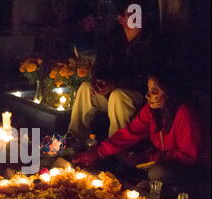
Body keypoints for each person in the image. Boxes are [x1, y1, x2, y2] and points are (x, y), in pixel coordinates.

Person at [73, 70, 202, 186]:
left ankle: (159, 184)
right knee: (121, 154)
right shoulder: (151, 111)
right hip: (159, 160)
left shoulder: (185, 113)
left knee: (158, 172)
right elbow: (128, 134)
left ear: (169, 93)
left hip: (189, 167)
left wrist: (149, 158)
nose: (147, 96)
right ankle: (144, 179)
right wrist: (97, 153)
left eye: (154, 92)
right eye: (148, 90)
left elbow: (187, 157)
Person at [67, 0, 160, 144]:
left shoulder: (151, 41)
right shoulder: (111, 39)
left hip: (136, 94)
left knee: (118, 96)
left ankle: (116, 149)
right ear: (121, 19)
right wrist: (96, 81)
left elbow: (147, 76)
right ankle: (75, 140)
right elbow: (100, 65)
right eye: (131, 15)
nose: (136, 19)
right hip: (110, 89)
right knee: (85, 89)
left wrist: (114, 84)